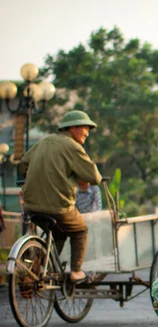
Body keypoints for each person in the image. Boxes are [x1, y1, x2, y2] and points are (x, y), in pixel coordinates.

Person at [19, 110, 102, 284]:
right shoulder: (72, 146)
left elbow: (22, 165)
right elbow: (94, 177)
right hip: (59, 207)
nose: (87, 133)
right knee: (80, 230)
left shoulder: (42, 142)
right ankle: (76, 272)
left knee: (59, 232)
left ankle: (38, 268)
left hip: (32, 207)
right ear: (72, 128)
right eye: (85, 128)